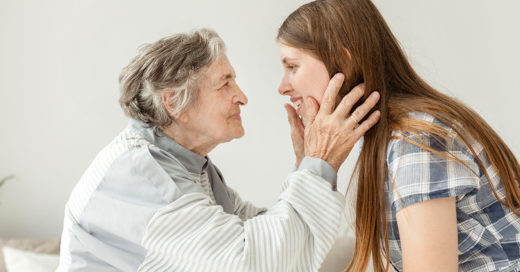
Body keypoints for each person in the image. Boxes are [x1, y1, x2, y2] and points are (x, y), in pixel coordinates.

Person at [57, 28, 380, 271]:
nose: (241, 96)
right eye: (225, 83)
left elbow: (263, 235)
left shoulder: (186, 167)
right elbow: (254, 263)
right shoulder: (142, 175)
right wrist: (317, 163)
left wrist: (306, 165)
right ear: (173, 103)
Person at [277, 0, 520, 271]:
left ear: (343, 62)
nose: (282, 87)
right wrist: (309, 163)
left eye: (292, 67)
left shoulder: (415, 142)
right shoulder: (393, 139)